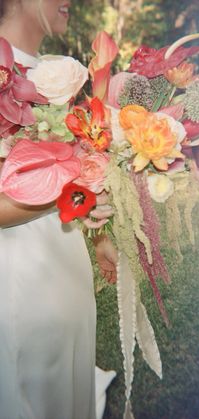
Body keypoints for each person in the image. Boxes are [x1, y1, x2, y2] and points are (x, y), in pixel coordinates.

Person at [0, 1, 118, 418]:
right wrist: (73, 192)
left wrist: (100, 236)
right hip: (19, 284)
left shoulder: (54, 73)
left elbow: (76, 159)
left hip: (65, 267)